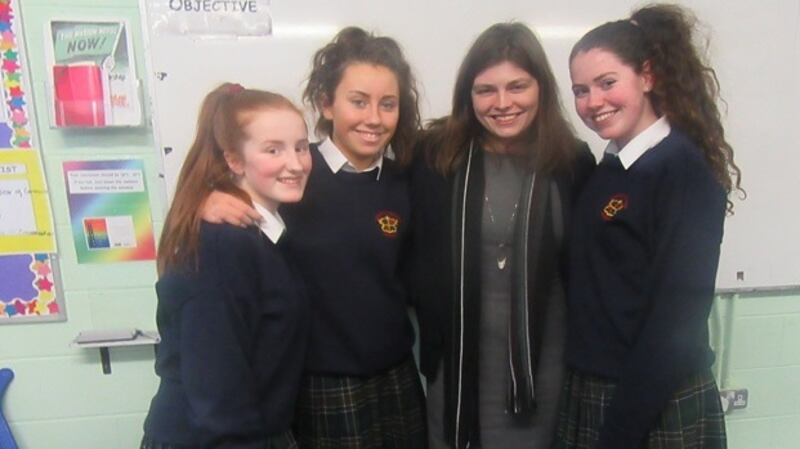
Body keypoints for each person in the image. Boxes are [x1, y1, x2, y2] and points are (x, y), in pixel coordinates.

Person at [201, 28, 427, 449]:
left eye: (388, 104)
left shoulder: (405, 181)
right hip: (320, 382)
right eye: (358, 102)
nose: (374, 118)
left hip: (396, 375)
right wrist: (207, 200)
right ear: (327, 103)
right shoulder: (294, 176)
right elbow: (239, 196)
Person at [555, 4, 743, 449]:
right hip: (594, 388)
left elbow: (674, 326)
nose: (592, 103)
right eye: (580, 90)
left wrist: (619, 432)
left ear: (647, 76)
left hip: (651, 401)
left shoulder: (683, 173)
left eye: (607, 83)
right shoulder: (608, 170)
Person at [410, 23, 595, 449]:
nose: (502, 103)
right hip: (455, 367)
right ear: (467, 95)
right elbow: (367, 191)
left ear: (541, 89)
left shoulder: (572, 162)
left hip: (541, 368)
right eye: (486, 90)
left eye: (517, 87)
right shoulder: (435, 156)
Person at [142, 83, 312, 449]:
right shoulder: (223, 244)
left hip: (252, 431)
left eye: (301, 147)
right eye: (273, 150)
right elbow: (217, 389)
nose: (296, 163)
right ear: (234, 160)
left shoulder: (262, 232)